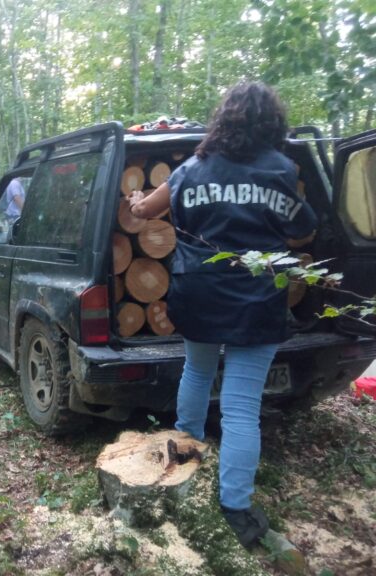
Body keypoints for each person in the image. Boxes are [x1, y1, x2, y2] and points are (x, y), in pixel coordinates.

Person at [129, 81, 317, 547]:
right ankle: (236, 508)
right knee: (241, 406)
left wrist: (135, 201)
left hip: (200, 292)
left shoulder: (191, 169)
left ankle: (186, 453)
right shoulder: (279, 170)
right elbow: (305, 227)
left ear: (223, 119)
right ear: (271, 122)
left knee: (197, 369)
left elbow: (147, 209)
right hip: (256, 299)